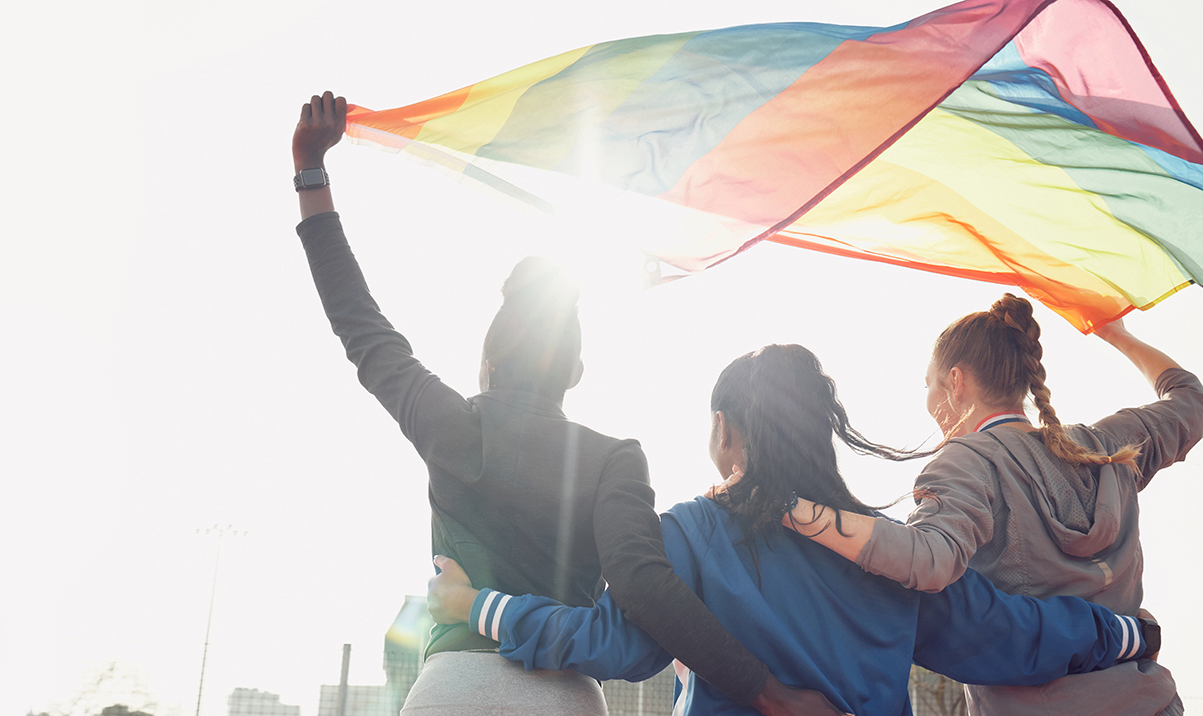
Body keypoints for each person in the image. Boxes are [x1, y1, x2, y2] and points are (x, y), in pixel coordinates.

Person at [290, 91, 846, 715]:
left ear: (490, 361)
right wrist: (770, 694)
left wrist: (310, 170)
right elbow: (645, 589)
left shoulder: (450, 424)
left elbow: (359, 325)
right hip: (567, 698)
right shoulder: (615, 459)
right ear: (576, 371)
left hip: (452, 693)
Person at [427, 344, 1161, 716]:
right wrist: (1128, 636)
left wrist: (478, 608)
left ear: (724, 430)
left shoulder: (687, 536)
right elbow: (1018, 635)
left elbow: (611, 645)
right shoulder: (889, 556)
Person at [779, 295, 1202, 715]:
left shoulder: (966, 462)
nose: (928, 402)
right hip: (1153, 703)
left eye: (929, 384)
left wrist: (788, 506)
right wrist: (1115, 333)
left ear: (956, 381)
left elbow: (928, 559)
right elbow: (1192, 399)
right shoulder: (1105, 447)